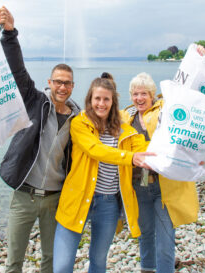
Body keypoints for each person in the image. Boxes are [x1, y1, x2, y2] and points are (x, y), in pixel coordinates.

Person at [0, 6, 80, 273]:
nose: (62, 87)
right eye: (58, 81)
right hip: (25, 196)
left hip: (56, 199)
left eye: (67, 83)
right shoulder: (35, 101)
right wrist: (10, 33)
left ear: (72, 87)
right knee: (14, 262)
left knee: (50, 261)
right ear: (50, 82)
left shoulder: (79, 118)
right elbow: (18, 71)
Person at [53, 74, 153, 273]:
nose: (101, 103)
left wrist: (182, 149)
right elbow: (95, 150)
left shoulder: (124, 129)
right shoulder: (80, 123)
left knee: (98, 261)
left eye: (106, 99)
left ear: (113, 102)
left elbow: (145, 148)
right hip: (77, 199)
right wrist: (130, 158)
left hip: (108, 203)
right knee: (62, 266)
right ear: (90, 100)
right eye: (97, 98)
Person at [121, 68, 205, 273]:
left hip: (164, 187)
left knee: (166, 235)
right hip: (138, 186)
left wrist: (196, 157)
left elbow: (186, 129)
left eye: (144, 94)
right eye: (135, 94)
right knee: (145, 233)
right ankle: (147, 269)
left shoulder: (165, 111)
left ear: (152, 95)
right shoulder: (127, 117)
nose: (139, 98)